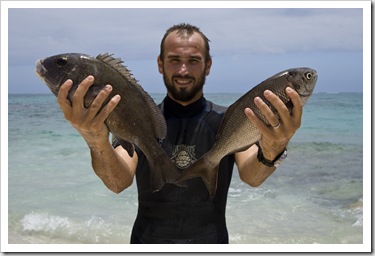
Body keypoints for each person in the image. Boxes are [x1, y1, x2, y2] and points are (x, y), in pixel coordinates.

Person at [57, 23, 302, 244]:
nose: (183, 70)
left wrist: (274, 146)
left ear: (208, 66)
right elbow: (117, 182)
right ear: (160, 64)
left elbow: (253, 176)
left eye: (193, 60)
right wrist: (94, 138)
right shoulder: (140, 119)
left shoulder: (228, 120)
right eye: (174, 60)